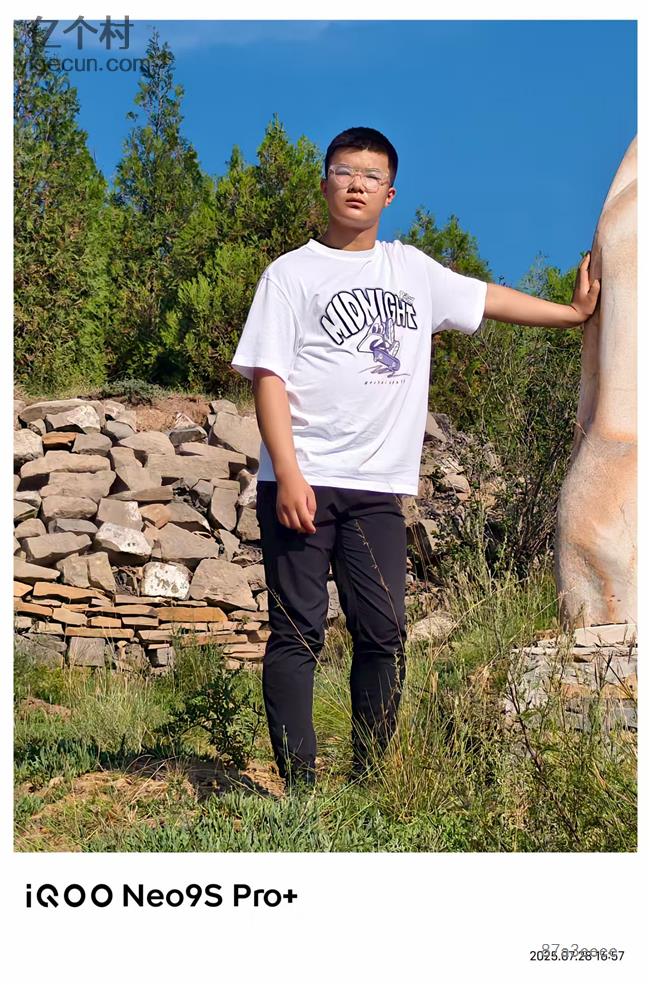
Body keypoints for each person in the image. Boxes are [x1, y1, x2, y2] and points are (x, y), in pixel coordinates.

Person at [230, 125, 600, 792]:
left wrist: (572, 314)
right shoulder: (290, 274)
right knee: (298, 633)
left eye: (371, 176)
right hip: (302, 479)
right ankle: (299, 792)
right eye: (345, 172)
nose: (357, 185)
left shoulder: (412, 271)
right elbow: (268, 377)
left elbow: (488, 298)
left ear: (390, 193)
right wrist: (287, 472)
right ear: (325, 183)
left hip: (377, 488)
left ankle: (369, 778)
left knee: (383, 631)